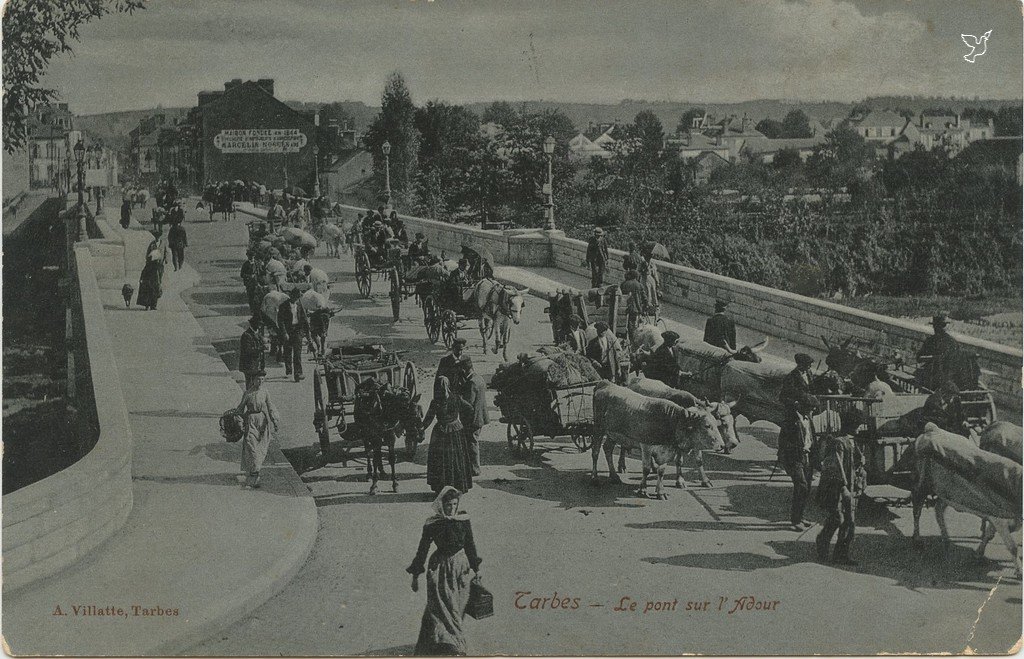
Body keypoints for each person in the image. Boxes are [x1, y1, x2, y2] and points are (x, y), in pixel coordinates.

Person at [407, 486, 482, 656]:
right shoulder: (433, 524)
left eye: (455, 504)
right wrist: (415, 575)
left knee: (456, 606)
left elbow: (470, 543)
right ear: (441, 504)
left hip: (460, 568)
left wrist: (476, 568)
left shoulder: (463, 519)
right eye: (448, 504)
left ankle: (440, 643)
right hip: (440, 569)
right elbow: (422, 549)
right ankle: (454, 646)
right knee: (443, 607)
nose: (452, 508)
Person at [815, 411, 866, 565]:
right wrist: (843, 487)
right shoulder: (838, 443)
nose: (859, 428)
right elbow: (836, 466)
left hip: (852, 486)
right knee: (838, 518)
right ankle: (822, 541)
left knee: (850, 522)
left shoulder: (852, 442)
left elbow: (855, 464)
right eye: (857, 425)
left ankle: (841, 554)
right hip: (837, 488)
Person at [778, 353, 819, 532]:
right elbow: (783, 397)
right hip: (795, 455)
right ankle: (795, 520)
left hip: (806, 454)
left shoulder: (808, 420)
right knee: (801, 485)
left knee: (806, 487)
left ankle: (800, 517)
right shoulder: (792, 422)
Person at [422, 377, 473, 494]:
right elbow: (469, 408)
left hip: (441, 433)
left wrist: (420, 428)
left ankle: (441, 487)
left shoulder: (435, 402)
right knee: (456, 459)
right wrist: (461, 422)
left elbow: (428, 419)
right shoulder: (456, 397)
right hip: (456, 431)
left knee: (441, 460)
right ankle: (458, 486)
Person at [234, 370, 281, 489]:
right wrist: (239, 422)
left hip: (262, 422)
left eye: (262, 379)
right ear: (253, 380)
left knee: (261, 449)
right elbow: (239, 409)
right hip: (250, 421)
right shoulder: (248, 394)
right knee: (251, 447)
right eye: (258, 379)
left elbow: (270, 406)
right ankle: (254, 476)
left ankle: (254, 476)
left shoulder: (265, 392)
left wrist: (274, 420)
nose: (260, 382)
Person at [459, 357, 488, 477]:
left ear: (464, 369)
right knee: (473, 441)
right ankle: (473, 467)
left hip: (473, 418)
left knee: (472, 443)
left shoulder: (471, 382)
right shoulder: (479, 378)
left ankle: (475, 469)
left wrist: (458, 398)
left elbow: (468, 403)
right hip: (481, 416)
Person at [278, 287, 309, 382]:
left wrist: (306, 333)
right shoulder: (283, 306)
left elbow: (303, 319)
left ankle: (298, 374)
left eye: (297, 298)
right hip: (288, 330)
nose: (296, 299)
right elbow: (280, 321)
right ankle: (289, 369)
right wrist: (284, 333)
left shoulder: (300, 305)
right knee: (288, 352)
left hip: (297, 331)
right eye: (295, 297)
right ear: (291, 296)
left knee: (297, 353)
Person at [619, 270, 647, 341]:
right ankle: (632, 339)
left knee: (626, 322)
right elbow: (644, 297)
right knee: (633, 324)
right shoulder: (639, 285)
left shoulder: (624, 283)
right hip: (634, 308)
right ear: (636, 276)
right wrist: (645, 305)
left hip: (623, 307)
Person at [239, 316, 266, 389]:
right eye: (258, 324)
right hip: (249, 365)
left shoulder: (257, 333)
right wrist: (261, 348)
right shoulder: (246, 335)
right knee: (250, 386)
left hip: (257, 365)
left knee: (257, 386)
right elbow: (248, 350)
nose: (260, 326)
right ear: (252, 324)